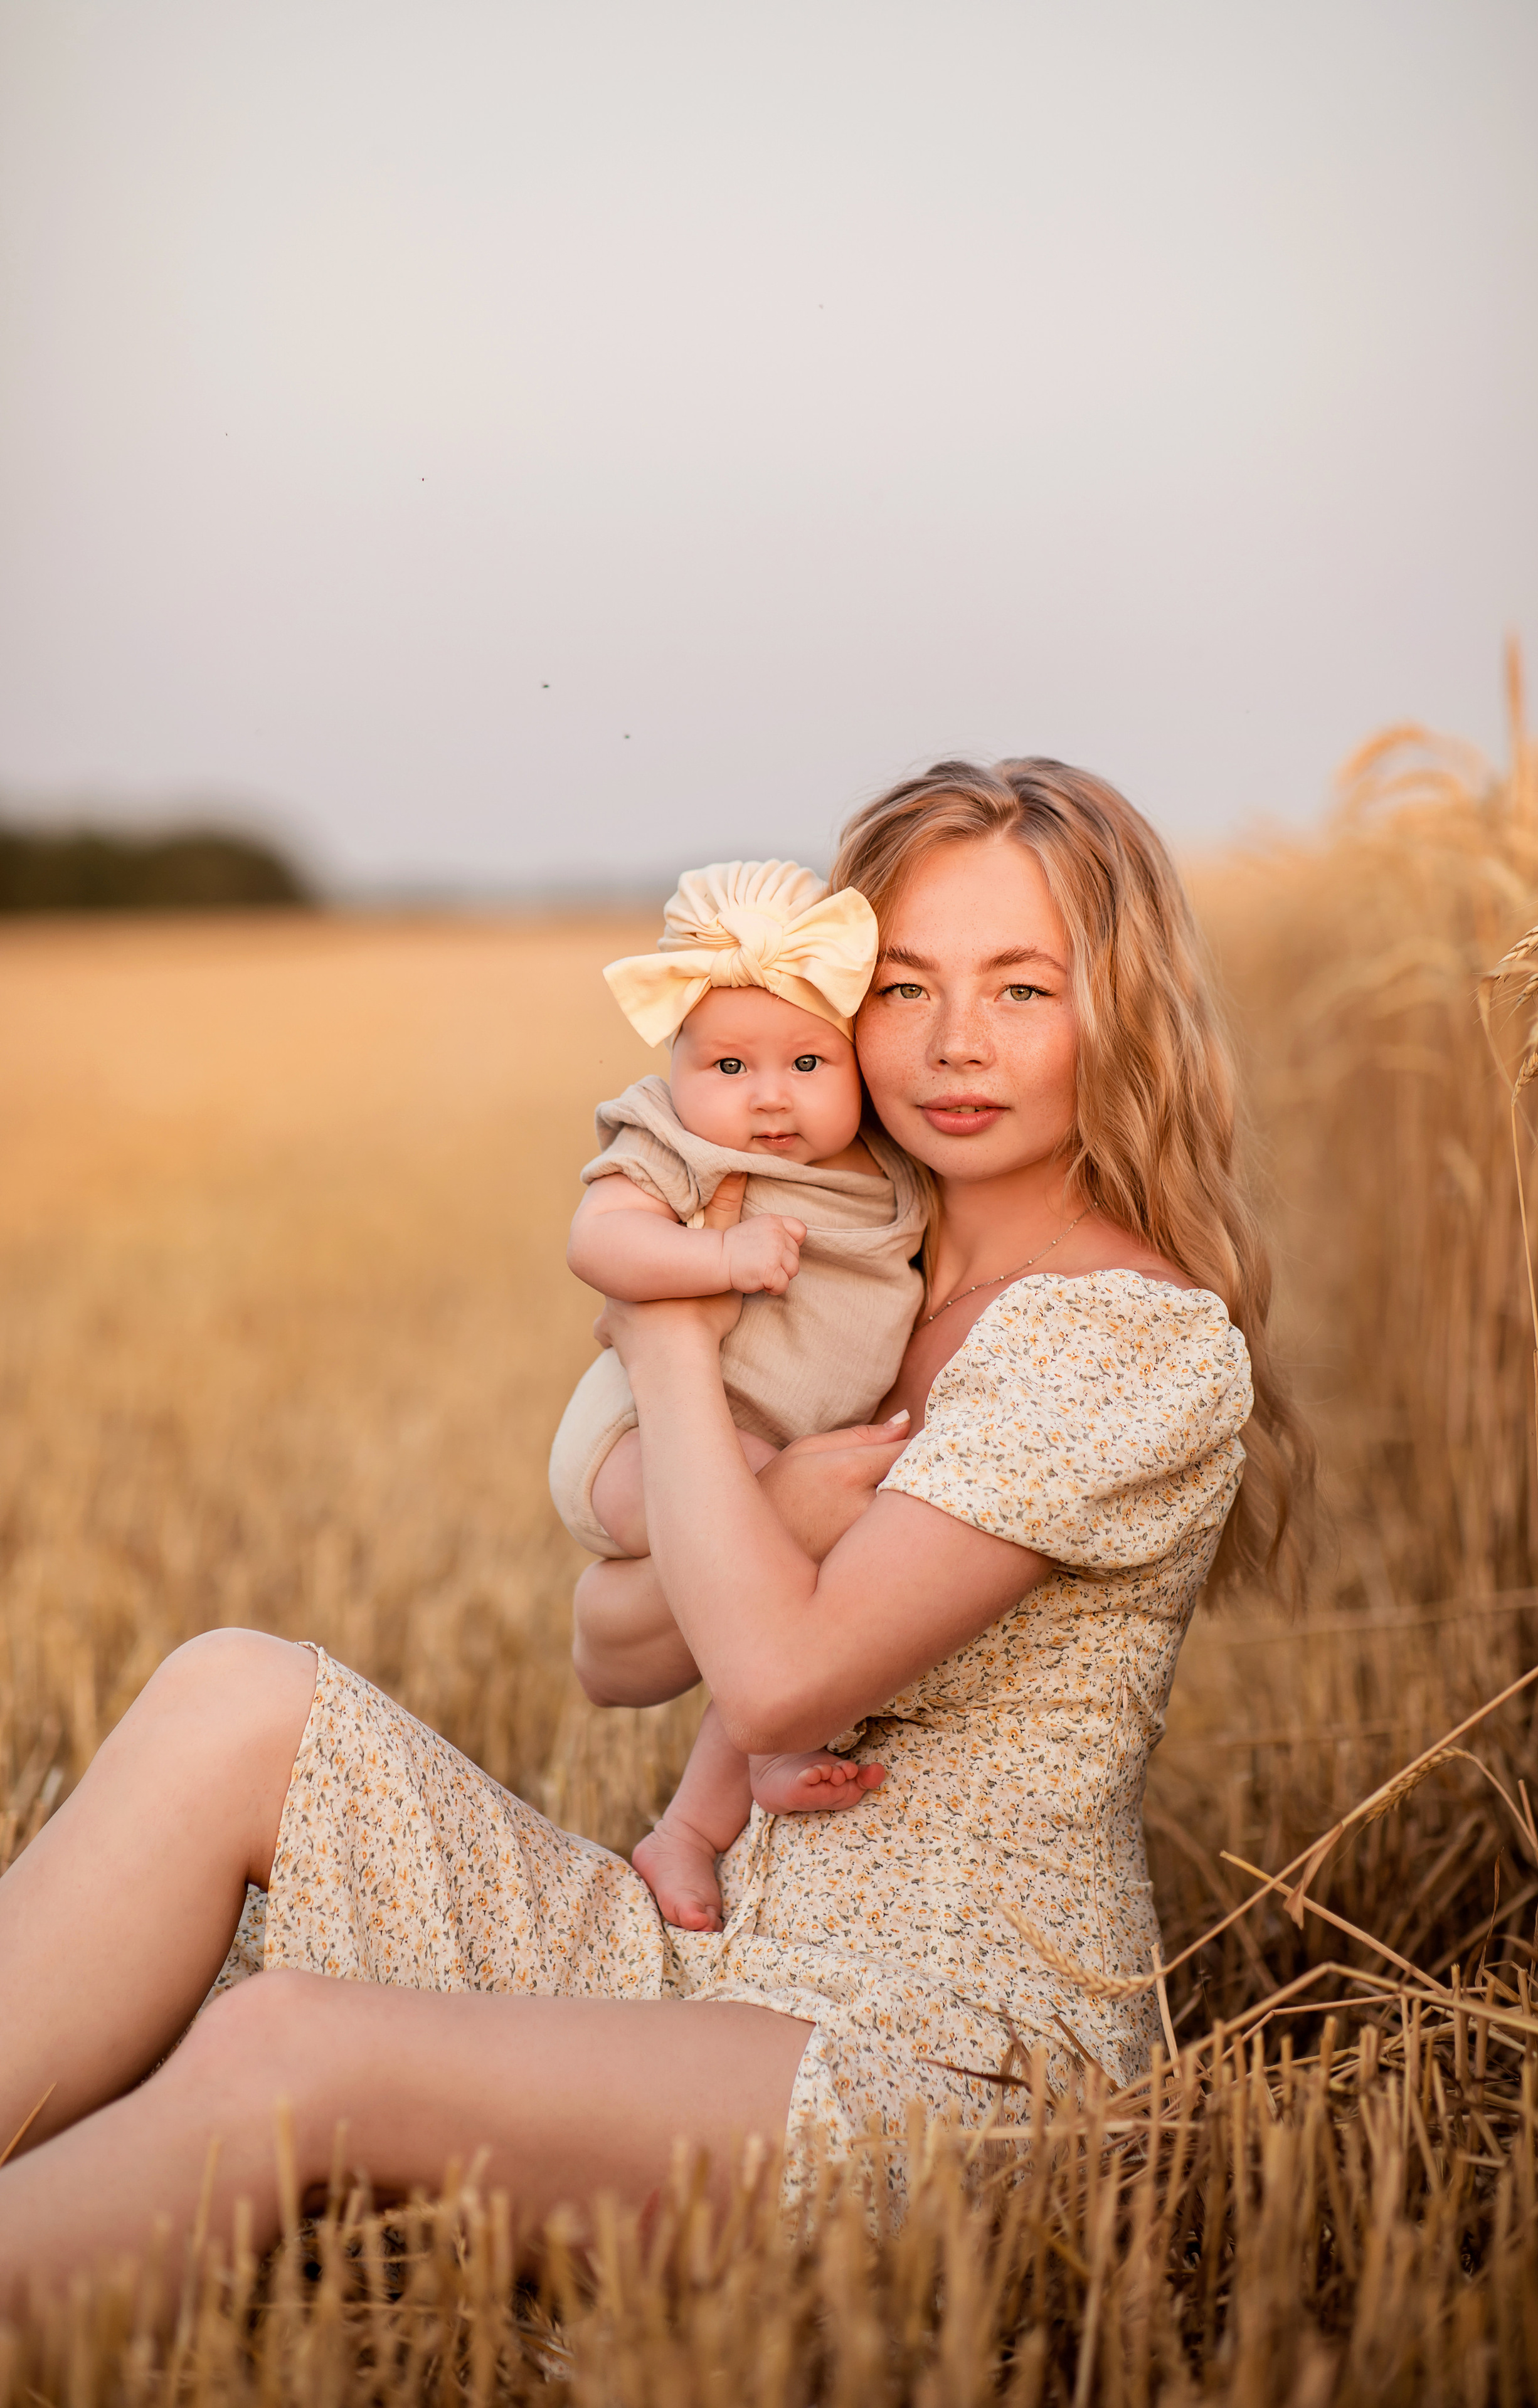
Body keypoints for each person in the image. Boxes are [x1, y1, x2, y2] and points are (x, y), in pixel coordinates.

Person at [0, 758, 1308, 2301]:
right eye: (902, 989)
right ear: (830, 1007)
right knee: (234, 1696)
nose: (957, 1042)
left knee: (290, 2046)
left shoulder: (1120, 1338)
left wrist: (667, 1325)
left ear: (1125, 1009)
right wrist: (753, 1496)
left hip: (945, 2062)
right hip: (709, 1961)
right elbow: (611, 1646)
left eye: (1023, 988)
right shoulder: (860, 1278)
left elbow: (769, 1685)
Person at [551, 855, 930, 1931]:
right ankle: (775, 1740)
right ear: (674, 1061)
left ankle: (691, 1829)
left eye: (809, 1060)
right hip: (638, 1443)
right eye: (726, 1064)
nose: (768, 1097)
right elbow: (599, 1241)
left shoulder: (887, 1168)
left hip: (759, 1450)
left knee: (794, 1569)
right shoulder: (677, 1140)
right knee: (782, 1552)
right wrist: (717, 1264)